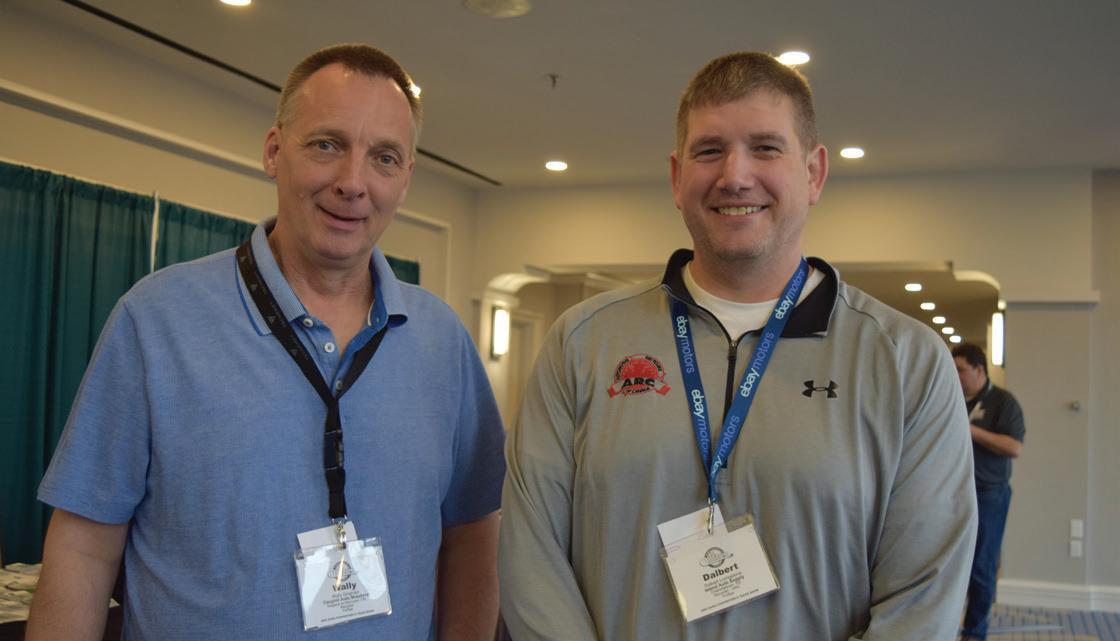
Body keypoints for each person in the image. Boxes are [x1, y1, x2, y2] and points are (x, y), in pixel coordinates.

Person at [27, 44, 505, 641]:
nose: (352, 183)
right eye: (326, 145)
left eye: (383, 158)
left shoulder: (442, 343)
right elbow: (84, 547)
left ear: (405, 179)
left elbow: (472, 535)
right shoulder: (157, 321)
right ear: (275, 151)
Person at [499, 51, 977, 640]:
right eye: (709, 151)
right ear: (677, 177)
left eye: (766, 148)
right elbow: (532, 556)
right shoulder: (582, 342)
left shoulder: (905, 361)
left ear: (814, 173)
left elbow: (924, 597)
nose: (734, 175)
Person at [952, 342, 1025, 641]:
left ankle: (974, 633)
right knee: (950, 563)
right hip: (952, 493)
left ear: (979, 370)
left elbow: (1014, 447)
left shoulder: (1003, 402)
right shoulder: (951, 397)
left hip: (988, 495)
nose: (956, 376)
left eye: (961, 370)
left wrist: (971, 430)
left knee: (981, 566)